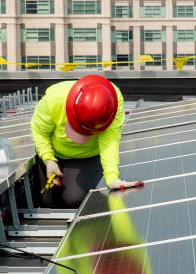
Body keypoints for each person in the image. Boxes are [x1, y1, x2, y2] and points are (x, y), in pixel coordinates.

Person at [31, 75, 140, 207]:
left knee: (73, 200)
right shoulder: (54, 100)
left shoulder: (112, 102)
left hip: (87, 156)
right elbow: (39, 132)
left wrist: (112, 178)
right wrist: (48, 159)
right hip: (53, 152)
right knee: (46, 201)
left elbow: (110, 140)